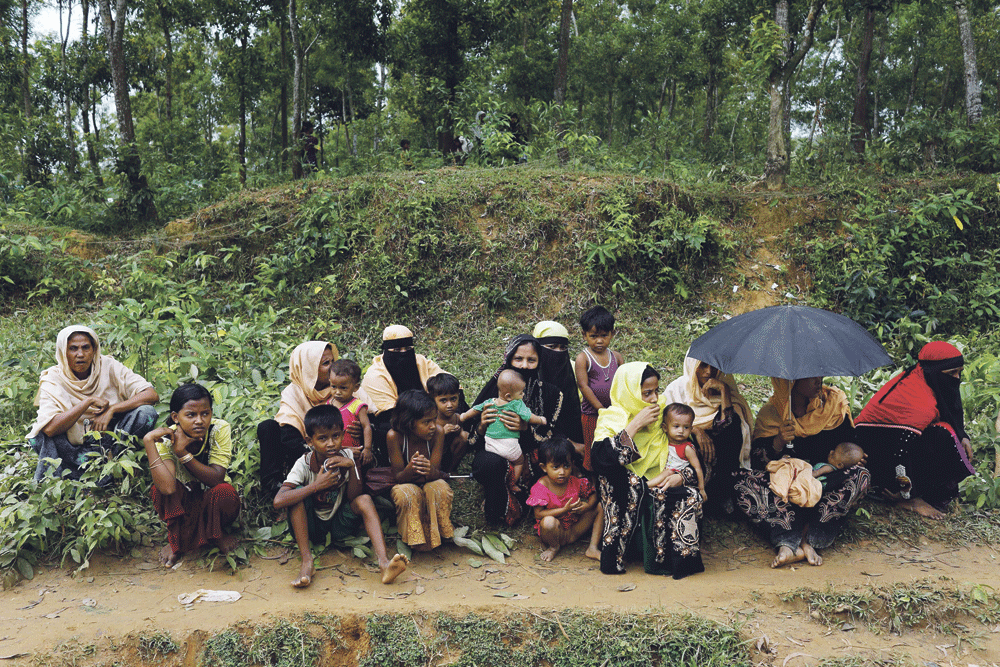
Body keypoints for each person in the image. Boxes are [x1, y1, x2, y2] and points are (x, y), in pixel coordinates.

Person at [733, 377, 870, 568]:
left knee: (861, 475)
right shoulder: (771, 413)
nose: (819, 381)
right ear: (790, 381)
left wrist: (855, 459)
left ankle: (808, 537)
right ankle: (789, 541)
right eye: (811, 377)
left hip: (823, 483)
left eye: (820, 375)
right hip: (786, 488)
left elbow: (849, 448)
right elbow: (758, 462)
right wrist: (778, 441)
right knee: (741, 481)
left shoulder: (832, 404)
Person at [591, 362, 705, 579]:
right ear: (630, 391)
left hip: (663, 478)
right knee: (631, 487)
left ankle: (678, 562)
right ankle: (624, 555)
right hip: (627, 484)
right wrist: (634, 425)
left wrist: (680, 477)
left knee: (689, 495)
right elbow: (600, 460)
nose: (654, 398)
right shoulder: (612, 417)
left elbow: (686, 452)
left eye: (656, 391)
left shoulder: (663, 412)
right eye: (646, 393)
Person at [274, 405, 407, 588]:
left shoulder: (346, 456)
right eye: (322, 438)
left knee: (364, 500)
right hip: (311, 528)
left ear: (343, 434)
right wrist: (316, 486)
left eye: (336, 436)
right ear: (310, 441)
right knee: (296, 497)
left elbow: (354, 497)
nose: (330, 443)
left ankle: (384, 563)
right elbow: (278, 501)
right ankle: (307, 561)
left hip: (338, 525)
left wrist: (351, 468)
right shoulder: (303, 464)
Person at [855, 341, 975, 520]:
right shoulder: (920, 402)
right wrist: (907, 494)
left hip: (897, 440)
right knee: (943, 434)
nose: (957, 378)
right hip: (876, 451)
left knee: (946, 433)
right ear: (934, 372)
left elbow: (951, 408)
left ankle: (921, 492)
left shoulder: (924, 376)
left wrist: (962, 436)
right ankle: (907, 499)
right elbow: (899, 449)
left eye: (959, 372)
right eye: (952, 373)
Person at [28, 325, 159, 482]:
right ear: (63, 352)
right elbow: (49, 428)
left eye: (86, 348)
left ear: (94, 349)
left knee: (146, 412)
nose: (80, 354)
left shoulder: (109, 366)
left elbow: (151, 394)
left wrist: (112, 410)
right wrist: (87, 402)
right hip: (72, 446)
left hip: (111, 437)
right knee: (39, 436)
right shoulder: (53, 379)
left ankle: (117, 463)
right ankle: (65, 477)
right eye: (73, 349)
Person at [469, 334, 575, 527]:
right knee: (489, 464)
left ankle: (528, 502)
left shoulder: (551, 394)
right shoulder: (496, 391)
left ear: (539, 362)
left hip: (534, 457)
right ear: (509, 359)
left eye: (531, 360)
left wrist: (526, 429)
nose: (524, 366)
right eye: (518, 359)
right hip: (496, 451)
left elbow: (554, 436)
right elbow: (471, 440)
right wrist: (482, 426)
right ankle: (497, 511)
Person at [143, 384, 240, 567]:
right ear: (175, 417)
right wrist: (149, 442)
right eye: (190, 415)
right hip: (185, 504)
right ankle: (176, 540)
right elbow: (168, 488)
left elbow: (217, 479)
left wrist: (183, 454)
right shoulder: (165, 439)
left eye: (205, 414)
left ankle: (215, 534)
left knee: (224, 491)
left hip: (215, 505)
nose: (199, 421)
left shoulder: (219, 430)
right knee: (158, 490)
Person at [661, 355, 754, 517]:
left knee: (733, 424)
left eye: (714, 366)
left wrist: (724, 392)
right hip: (691, 456)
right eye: (703, 366)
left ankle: (722, 493)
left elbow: (727, 425)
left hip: (720, 458)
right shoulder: (677, 390)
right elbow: (667, 425)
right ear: (693, 366)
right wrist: (695, 430)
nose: (708, 371)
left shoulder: (727, 390)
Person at [257, 341, 339, 497]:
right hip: (302, 453)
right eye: (326, 363)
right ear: (309, 368)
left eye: (333, 361)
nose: (333, 368)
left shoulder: (341, 386)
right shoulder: (293, 393)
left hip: (337, 447)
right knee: (267, 427)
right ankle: (274, 487)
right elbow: (289, 433)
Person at [386, 390, 454, 551]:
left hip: (430, 480)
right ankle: (415, 539)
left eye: (434, 419)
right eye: (426, 422)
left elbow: (436, 473)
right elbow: (398, 477)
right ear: (409, 423)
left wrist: (429, 469)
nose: (432, 426)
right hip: (406, 481)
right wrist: (410, 470)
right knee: (406, 493)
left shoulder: (438, 432)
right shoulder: (394, 436)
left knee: (440, 489)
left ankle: (440, 535)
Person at [461, 369, 547, 492]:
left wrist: (463, 416)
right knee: (519, 461)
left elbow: (475, 409)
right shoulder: (516, 404)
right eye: (521, 393)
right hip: (509, 444)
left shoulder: (490, 402)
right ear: (509, 396)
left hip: (490, 444)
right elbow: (529, 417)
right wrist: (540, 420)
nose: (523, 395)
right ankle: (512, 483)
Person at [526, 437, 600, 562]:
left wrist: (587, 506)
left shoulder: (575, 482)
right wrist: (564, 510)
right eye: (555, 467)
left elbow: (593, 494)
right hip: (555, 533)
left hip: (574, 530)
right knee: (548, 522)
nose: (562, 472)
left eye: (566, 466)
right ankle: (554, 547)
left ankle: (593, 547)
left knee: (600, 507)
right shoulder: (541, 487)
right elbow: (538, 514)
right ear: (544, 467)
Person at [360, 325, 446, 418]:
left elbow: (448, 384)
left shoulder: (421, 362)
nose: (404, 353)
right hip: (397, 420)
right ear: (386, 351)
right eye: (397, 350)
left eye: (408, 349)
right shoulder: (375, 374)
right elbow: (386, 413)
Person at [574, 306, 623, 468]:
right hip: (592, 415)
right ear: (584, 335)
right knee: (593, 449)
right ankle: (593, 482)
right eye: (593, 336)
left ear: (612, 334)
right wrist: (600, 409)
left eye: (604, 335)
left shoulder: (617, 357)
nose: (599, 341)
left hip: (614, 414)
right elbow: (584, 386)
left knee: (612, 447)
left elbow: (625, 382)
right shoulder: (583, 358)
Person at [532, 321, 585, 446]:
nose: (558, 352)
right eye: (552, 347)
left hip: (571, 430)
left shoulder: (572, 368)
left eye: (563, 348)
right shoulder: (529, 371)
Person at [645, 403, 706, 501]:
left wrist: (702, 489)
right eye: (676, 426)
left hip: (677, 476)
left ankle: (644, 486)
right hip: (665, 475)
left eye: (686, 427)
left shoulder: (686, 448)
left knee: (667, 472)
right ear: (665, 428)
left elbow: (698, 468)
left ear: (691, 429)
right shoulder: (663, 442)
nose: (681, 431)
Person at [326, 359, 374, 470]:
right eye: (333, 386)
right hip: (335, 450)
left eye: (343, 388)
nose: (337, 392)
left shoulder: (357, 406)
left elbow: (366, 427)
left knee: (355, 474)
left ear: (356, 387)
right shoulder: (329, 403)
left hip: (354, 452)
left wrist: (367, 448)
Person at [425, 373, 468, 473]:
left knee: (464, 436)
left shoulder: (457, 418)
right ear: (433, 400)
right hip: (430, 458)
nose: (450, 405)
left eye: (453, 399)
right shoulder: (430, 419)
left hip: (448, 456)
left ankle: (450, 471)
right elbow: (422, 445)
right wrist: (441, 433)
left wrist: (458, 430)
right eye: (443, 400)